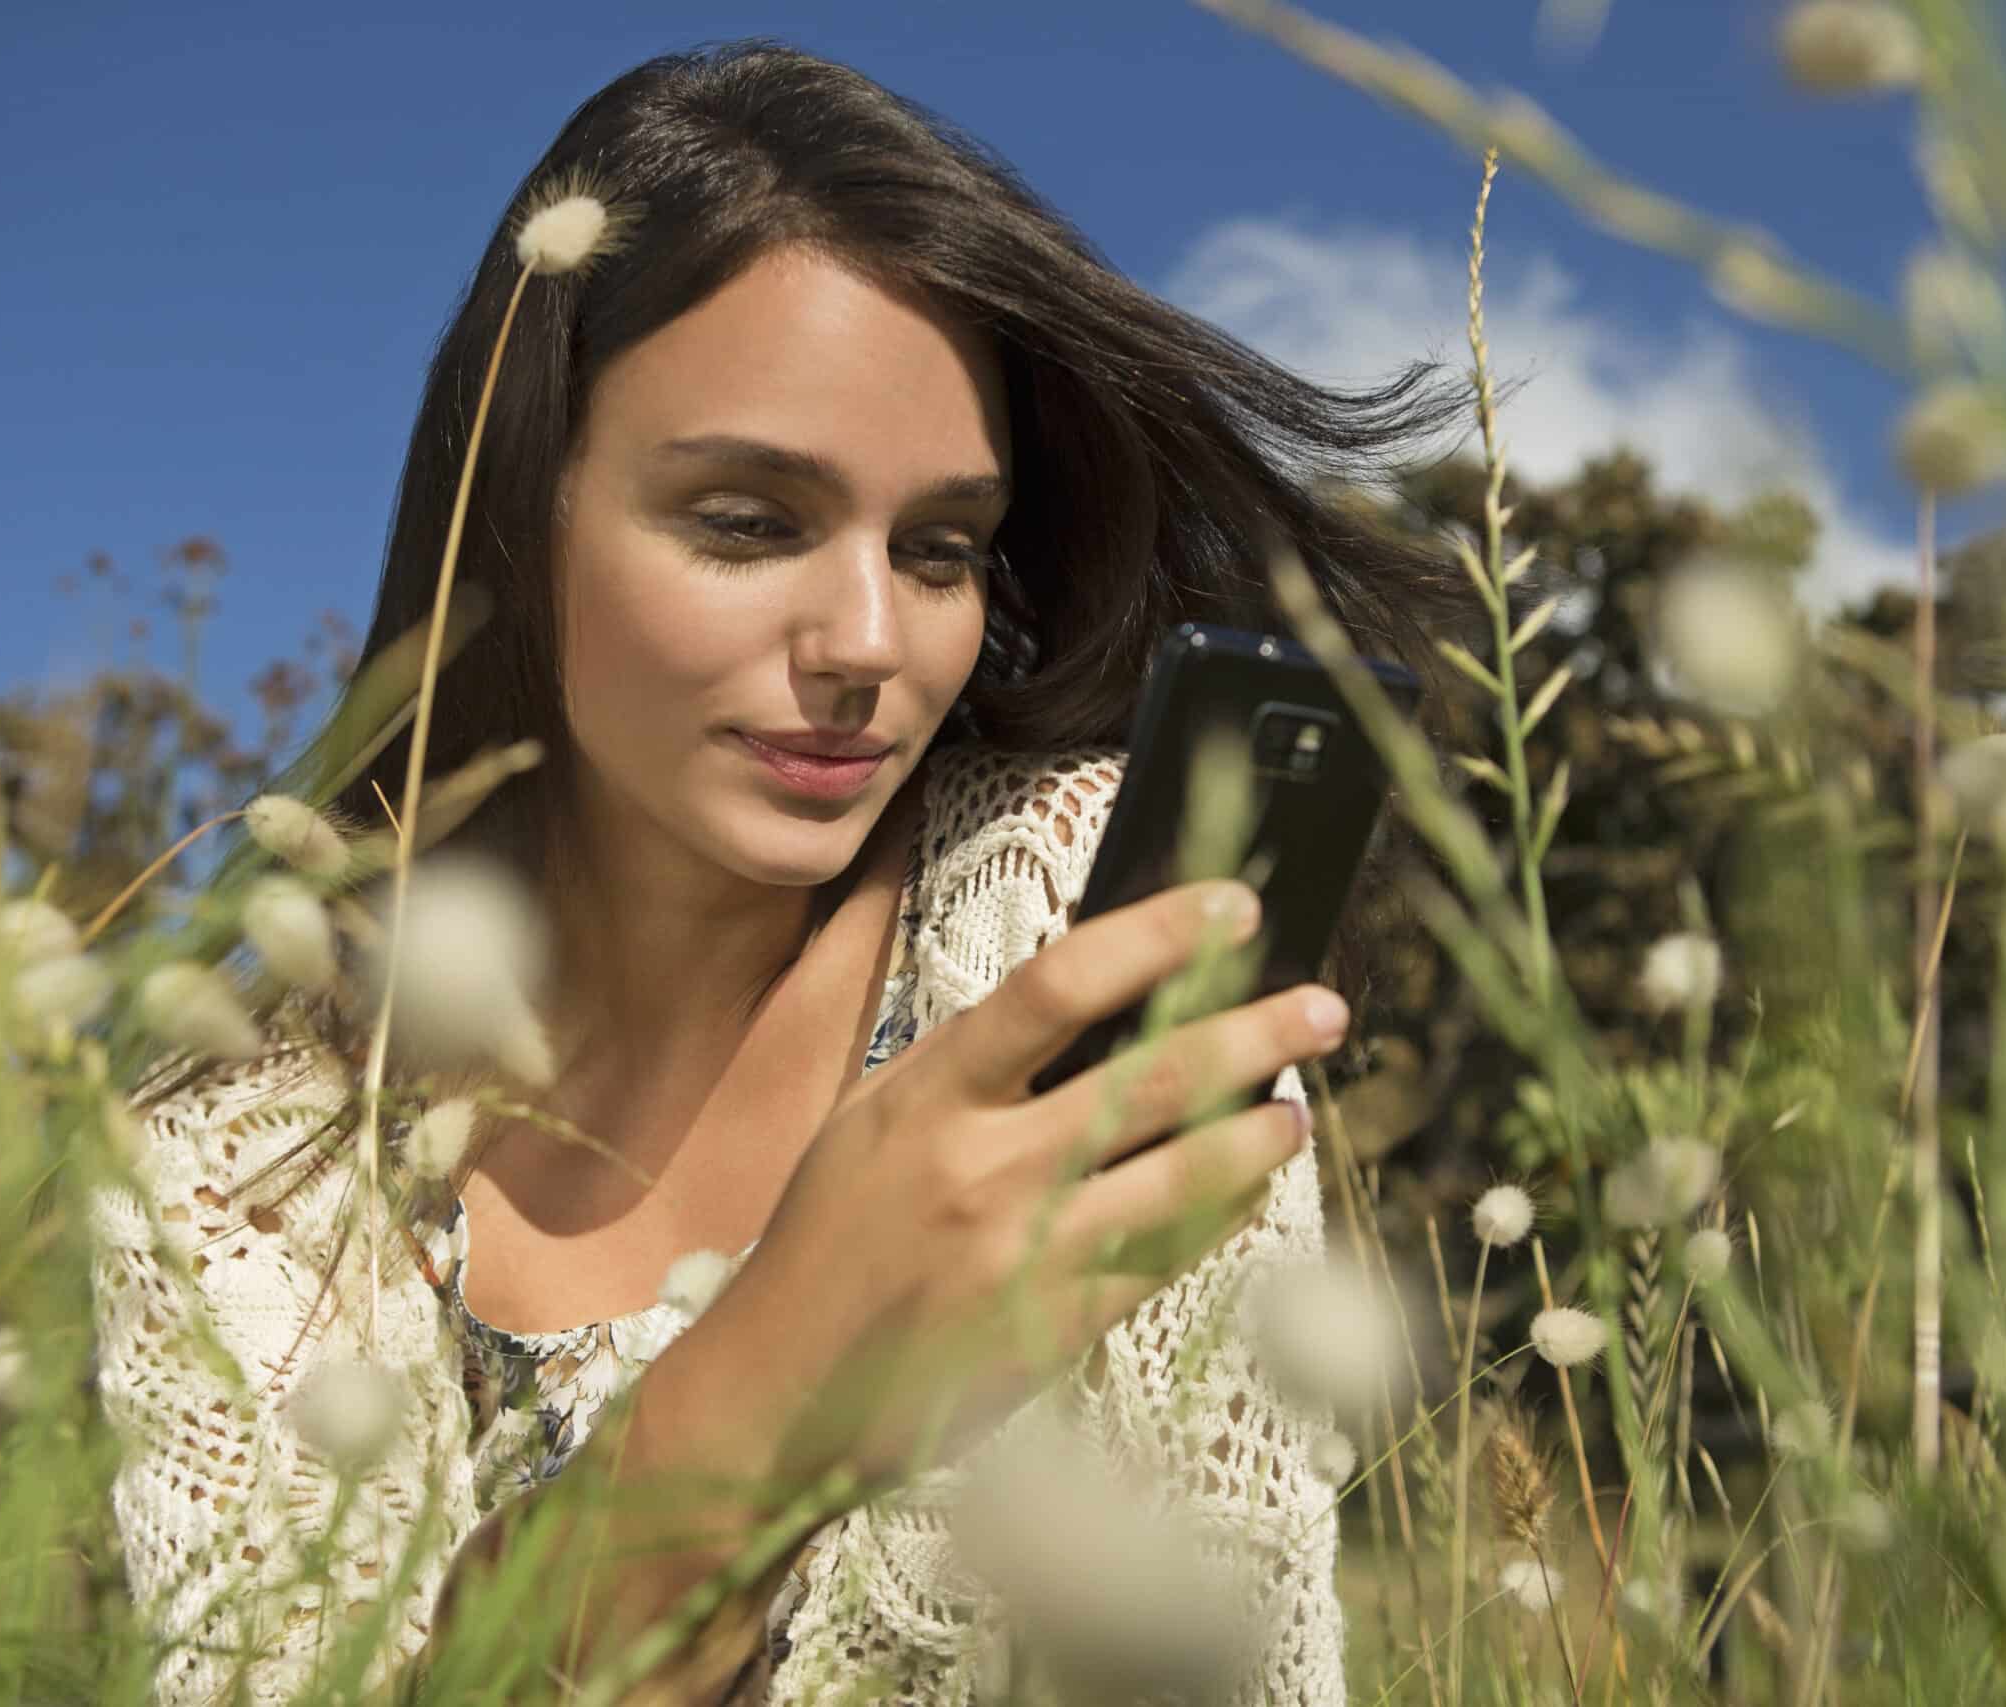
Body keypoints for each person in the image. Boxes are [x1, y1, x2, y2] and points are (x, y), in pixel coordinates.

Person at [89, 37, 1467, 1707]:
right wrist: (766, 1388)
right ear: (523, 508)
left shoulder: (1062, 921)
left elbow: (1241, 1650)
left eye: (942, 547)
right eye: (747, 523)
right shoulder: (236, 1171)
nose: (872, 643)